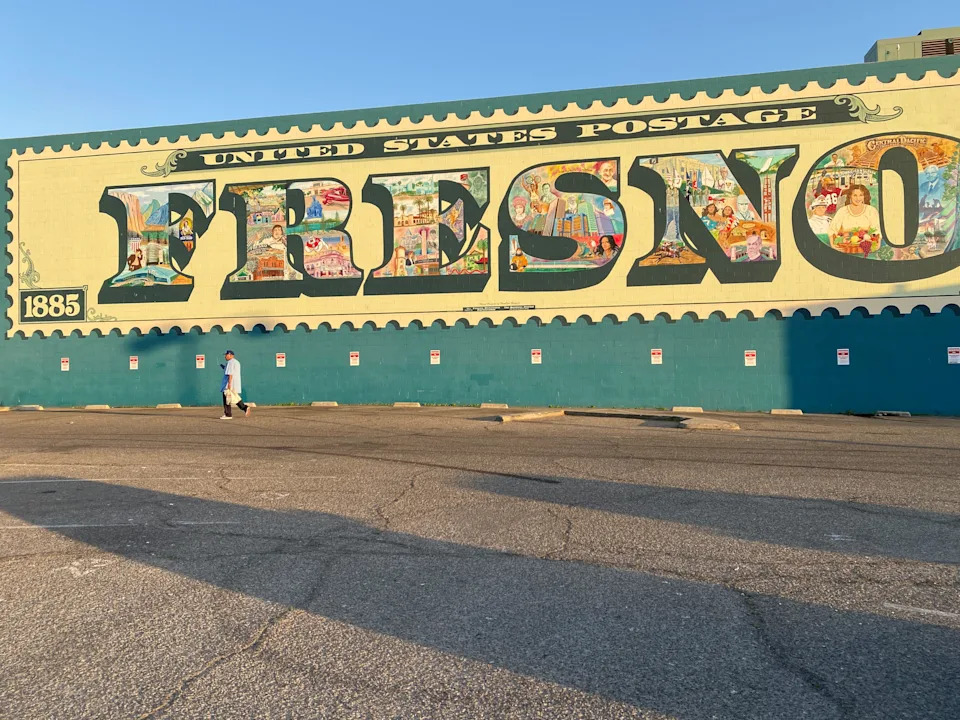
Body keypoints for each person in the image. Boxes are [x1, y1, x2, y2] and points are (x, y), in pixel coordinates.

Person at [220, 350, 250, 420]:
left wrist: (229, 384)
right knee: (234, 398)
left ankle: (228, 414)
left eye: (226, 355)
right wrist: (224, 367)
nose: (225, 356)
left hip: (229, 384)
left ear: (231, 355)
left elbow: (230, 373)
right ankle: (245, 408)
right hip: (235, 384)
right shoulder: (236, 362)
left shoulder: (230, 362)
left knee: (227, 399)